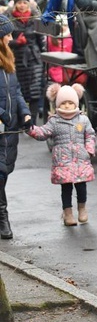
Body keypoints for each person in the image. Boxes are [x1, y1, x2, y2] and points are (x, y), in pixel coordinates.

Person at [26, 83, 95, 226]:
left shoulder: (83, 120)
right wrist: (30, 128)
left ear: (76, 102)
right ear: (58, 104)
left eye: (71, 102)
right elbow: (42, 133)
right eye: (64, 103)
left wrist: (89, 149)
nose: (68, 106)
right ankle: (68, 213)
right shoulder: (54, 121)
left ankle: (82, 208)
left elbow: (90, 135)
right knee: (66, 188)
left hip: (80, 159)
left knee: (81, 186)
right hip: (63, 162)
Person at [0, 14, 33, 240]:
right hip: (1, 125)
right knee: (0, 172)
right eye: (7, 35)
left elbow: (16, 91)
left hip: (10, 129)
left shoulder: (8, 59)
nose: (11, 38)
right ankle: (3, 217)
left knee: (5, 170)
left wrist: (25, 112)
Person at [9, 0, 45, 124]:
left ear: (28, 4)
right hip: (17, 59)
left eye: (24, 2)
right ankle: (21, 119)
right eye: (19, 3)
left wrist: (45, 57)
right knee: (20, 91)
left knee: (35, 90)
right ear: (15, 5)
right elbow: (5, 42)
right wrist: (15, 42)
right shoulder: (10, 20)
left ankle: (32, 122)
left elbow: (41, 41)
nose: (22, 5)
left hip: (34, 58)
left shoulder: (35, 20)